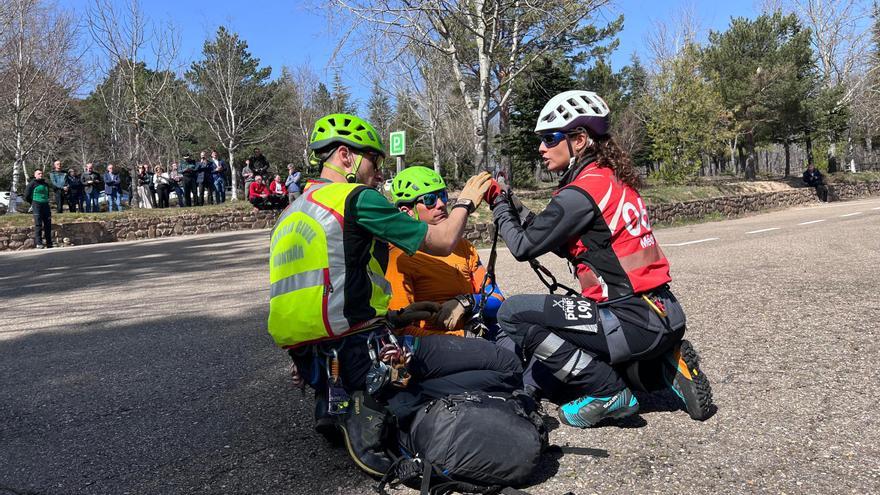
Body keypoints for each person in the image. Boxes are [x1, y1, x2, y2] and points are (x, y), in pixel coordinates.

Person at [268, 113, 513, 477]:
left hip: (312, 361)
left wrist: (401, 315)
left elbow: (309, 293)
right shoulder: (354, 198)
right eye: (374, 160)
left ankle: (337, 403)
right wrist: (465, 202)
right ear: (346, 156)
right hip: (363, 354)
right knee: (504, 366)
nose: (379, 173)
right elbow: (443, 241)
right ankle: (380, 411)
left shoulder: (289, 214)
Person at [488, 90, 715, 428]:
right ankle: (663, 366)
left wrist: (498, 208)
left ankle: (606, 391)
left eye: (550, 139)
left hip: (630, 319)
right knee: (561, 358)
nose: (541, 148)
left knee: (513, 314)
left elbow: (523, 246)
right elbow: (554, 237)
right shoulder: (609, 181)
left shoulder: (581, 193)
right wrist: (512, 203)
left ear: (579, 139)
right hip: (662, 313)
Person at [386, 166, 507, 342]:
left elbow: (496, 297)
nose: (441, 204)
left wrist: (467, 302)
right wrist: (462, 337)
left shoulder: (463, 247)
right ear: (407, 211)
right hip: (441, 347)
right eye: (429, 200)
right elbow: (402, 332)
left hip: (481, 332)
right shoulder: (398, 257)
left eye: (442, 195)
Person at [25, 169, 53, 248]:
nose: (40, 175)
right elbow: (26, 196)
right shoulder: (32, 184)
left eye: (41, 173)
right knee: (38, 224)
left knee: (48, 224)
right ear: (35, 175)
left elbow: (47, 194)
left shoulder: (45, 184)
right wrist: (33, 203)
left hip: (45, 205)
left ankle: (49, 243)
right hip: (37, 205)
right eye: (38, 173)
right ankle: (39, 243)